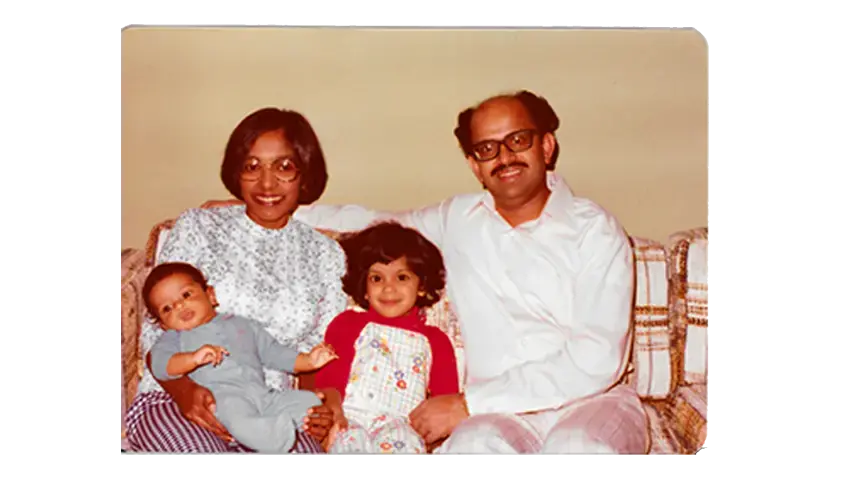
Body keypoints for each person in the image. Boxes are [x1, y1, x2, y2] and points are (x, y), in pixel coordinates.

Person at [203, 90, 650, 455]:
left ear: (546, 145)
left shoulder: (595, 230)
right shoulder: (459, 218)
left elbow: (596, 359)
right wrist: (264, 211)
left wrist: (469, 403)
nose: (504, 157)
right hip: (496, 417)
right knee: (470, 449)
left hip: (590, 404)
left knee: (577, 449)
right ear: (475, 164)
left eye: (519, 140)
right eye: (487, 149)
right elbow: (371, 220)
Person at [125, 107, 349, 454]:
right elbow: (157, 326)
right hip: (175, 397)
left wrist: (315, 407)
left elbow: (317, 350)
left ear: (305, 174)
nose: (267, 184)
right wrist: (185, 393)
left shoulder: (326, 254)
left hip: (269, 407)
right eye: (252, 166)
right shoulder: (199, 227)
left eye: (284, 166)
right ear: (236, 172)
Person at [144, 262, 339, 454]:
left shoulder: (243, 325)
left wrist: (309, 360)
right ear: (164, 325)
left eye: (186, 295)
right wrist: (192, 359)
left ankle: (282, 427)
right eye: (167, 308)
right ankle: (272, 440)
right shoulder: (174, 337)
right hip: (223, 398)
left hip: (262, 393)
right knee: (239, 419)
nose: (179, 306)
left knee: (307, 402)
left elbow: (274, 353)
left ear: (210, 295)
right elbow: (160, 365)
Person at [313, 221, 459, 454]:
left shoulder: (435, 340)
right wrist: (333, 413)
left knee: (404, 445)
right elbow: (330, 379)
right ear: (364, 287)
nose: (388, 289)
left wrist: (436, 438)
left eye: (401, 278)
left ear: (421, 286)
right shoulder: (347, 323)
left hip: (401, 424)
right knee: (346, 443)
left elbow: (444, 397)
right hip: (350, 417)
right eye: (377, 279)